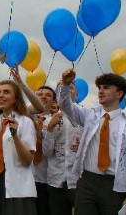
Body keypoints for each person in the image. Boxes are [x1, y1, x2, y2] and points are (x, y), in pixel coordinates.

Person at [59, 69, 126, 215]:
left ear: (119, 93)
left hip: (114, 184)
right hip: (87, 181)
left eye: (106, 87)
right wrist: (66, 85)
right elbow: (66, 106)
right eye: (99, 88)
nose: (100, 91)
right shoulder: (89, 115)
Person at [0, 80, 37, 215]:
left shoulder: (25, 122)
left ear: (16, 99)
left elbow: (28, 160)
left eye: (6, 92)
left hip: (17, 187)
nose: (1, 95)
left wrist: (15, 136)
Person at [43, 81, 83, 215]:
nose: (65, 90)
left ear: (76, 94)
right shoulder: (52, 119)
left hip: (79, 180)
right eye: (61, 88)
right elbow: (47, 152)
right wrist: (49, 129)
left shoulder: (86, 118)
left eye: (70, 87)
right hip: (56, 180)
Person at [32, 86, 55, 215]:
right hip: (27, 177)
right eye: (40, 94)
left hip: (45, 179)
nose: (43, 97)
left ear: (54, 101)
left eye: (48, 95)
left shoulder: (57, 121)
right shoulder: (26, 119)